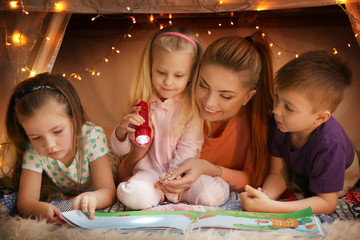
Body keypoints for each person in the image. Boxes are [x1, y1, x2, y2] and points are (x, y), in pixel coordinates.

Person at [116, 32, 275, 203]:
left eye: (226, 96)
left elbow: (254, 178)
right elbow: (123, 173)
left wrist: (211, 169)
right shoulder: (174, 110)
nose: (209, 102)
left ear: (247, 97)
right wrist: (140, 150)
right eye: (203, 85)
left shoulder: (254, 125)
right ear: (193, 77)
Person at [111, 26, 232, 210]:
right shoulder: (142, 102)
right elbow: (121, 150)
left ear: (191, 75)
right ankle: (158, 194)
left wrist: (172, 181)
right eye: (161, 72)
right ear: (150, 67)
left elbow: (188, 150)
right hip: (148, 174)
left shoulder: (191, 108)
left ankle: (171, 194)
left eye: (178, 75)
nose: (168, 82)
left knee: (211, 193)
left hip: (182, 175)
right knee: (131, 194)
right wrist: (120, 132)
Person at [240, 50, 360, 214]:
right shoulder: (280, 123)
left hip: (343, 177)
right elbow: (278, 173)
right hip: (303, 174)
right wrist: (264, 197)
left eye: (289, 107)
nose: (276, 110)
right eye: (277, 97)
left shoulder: (331, 145)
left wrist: (273, 207)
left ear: (320, 118)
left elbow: (326, 203)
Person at [3, 73, 117, 222]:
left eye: (57, 131)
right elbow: (25, 201)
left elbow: (108, 190)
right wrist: (39, 209)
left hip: (118, 174)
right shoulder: (33, 150)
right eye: (36, 137)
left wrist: (94, 197)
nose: (49, 145)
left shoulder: (91, 137)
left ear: (75, 119)